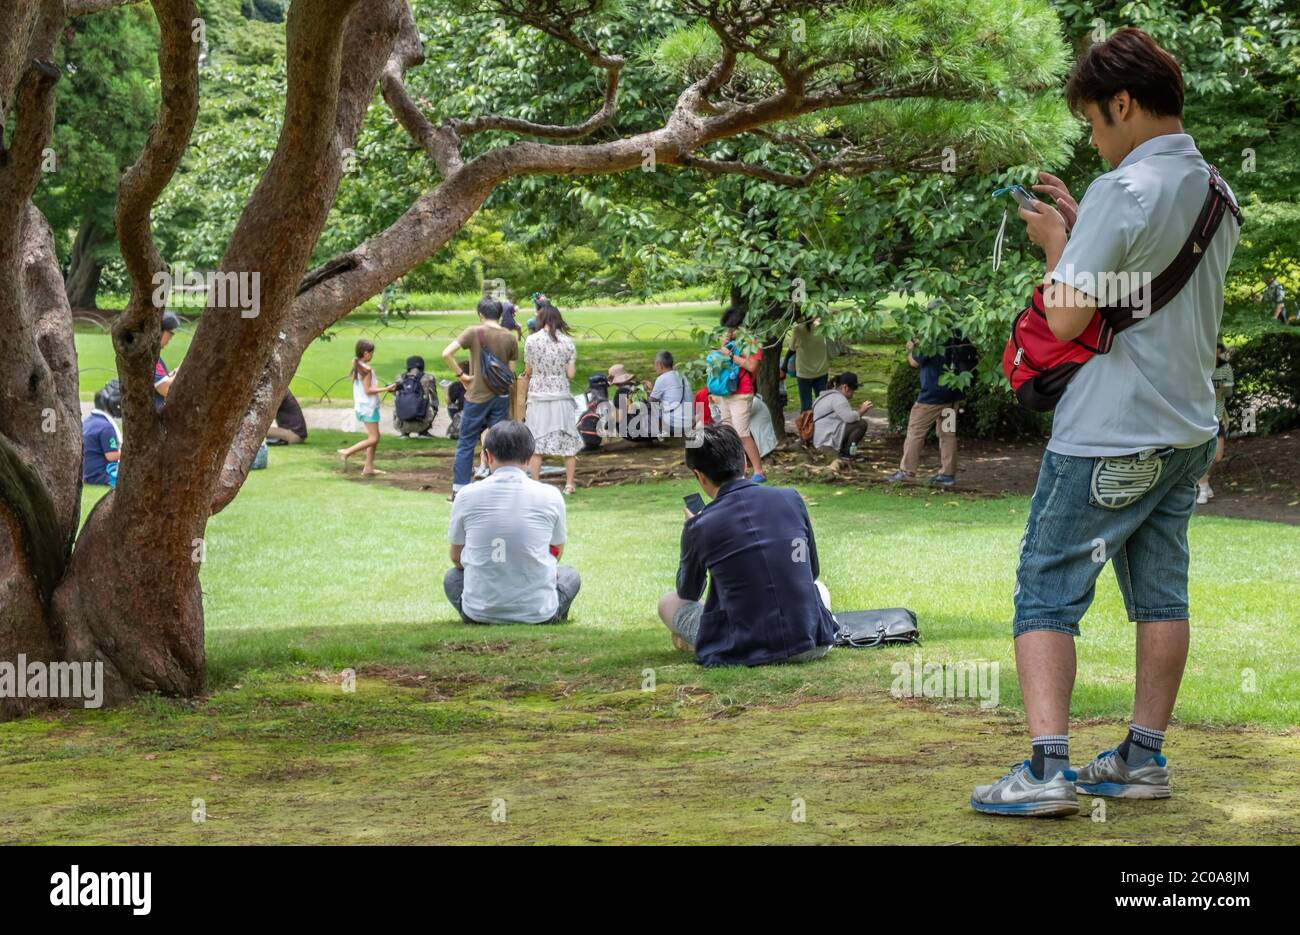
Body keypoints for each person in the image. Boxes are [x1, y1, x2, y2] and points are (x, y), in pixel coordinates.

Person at [970, 28, 1241, 817]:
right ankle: (1141, 757)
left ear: (1123, 103)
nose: (1094, 139)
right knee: (1161, 594)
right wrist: (1081, 224)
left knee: (1047, 589)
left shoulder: (1122, 192)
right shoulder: (1217, 191)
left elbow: (1064, 318)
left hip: (1107, 433)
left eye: (1093, 122)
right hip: (1186, 430)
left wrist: (1059, 243)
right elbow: (1148, 283)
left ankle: (1047, 768)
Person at [657, 424, 836, 666]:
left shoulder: (700, 525)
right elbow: (811, 572)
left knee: (667, 602)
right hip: (812, 641)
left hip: (743, 648)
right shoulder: (791, 498)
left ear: (699, 476)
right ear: (744, 461)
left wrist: (690, 533)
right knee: (820, 588)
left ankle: (699, 640)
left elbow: (688, 592)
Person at [444, 421, 581, 624]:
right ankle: (549, 614)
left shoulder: (466, 495)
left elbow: (456, 557)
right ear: (528, 458)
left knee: (452, 578)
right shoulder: (550, 495)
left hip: (479, 611)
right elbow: (556, 553)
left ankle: (485, 613)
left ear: (487, 456)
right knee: (570, 575)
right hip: (537, 611)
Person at [441, 297, 519, 499]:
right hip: (500, 395)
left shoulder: (473, 332)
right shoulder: (510, 337)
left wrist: (462, 376)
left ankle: (459, 489)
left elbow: (446, 353)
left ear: (480, 314)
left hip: (476, 395)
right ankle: (499, 488)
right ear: (501, 314)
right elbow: (511, 373)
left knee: (466, 442)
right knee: (499, 443)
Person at [886, 335, 962, 486]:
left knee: (915, 431)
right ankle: (948, 473)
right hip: (953, 394)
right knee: (948, 434)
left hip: (931, 397)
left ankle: (907, 471)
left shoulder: (931, 337)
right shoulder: (958, 334)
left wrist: (911, 348)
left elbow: (914, 361)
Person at [524, 304, 581, 494]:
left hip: (538, 395)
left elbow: (529, 370)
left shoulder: (531, 341)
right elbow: (571, 374)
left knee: (536, 440)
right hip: (560, 395)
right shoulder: (567, 342)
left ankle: (536, 482)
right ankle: (570, 483)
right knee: (568, 439)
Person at [711, 306, 765, 481]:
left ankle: (758, 471)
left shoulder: (751, 342)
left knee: (742, 433)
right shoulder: (728, 342)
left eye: (732, 328)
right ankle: (737, 470)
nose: (729, 331)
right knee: (728, 432)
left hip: (742, 393)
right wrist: (723, 347)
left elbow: (752, 366)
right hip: (726, 392)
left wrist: (731, 355)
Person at [338, 340, 395, 475]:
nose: (373, 355)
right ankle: (347, 452)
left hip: (363, 406)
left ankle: (368, 468)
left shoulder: (358, 366)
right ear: (366, 353)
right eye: (372, 353)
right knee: (374, 438)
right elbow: (368, 390)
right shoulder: (366, 370)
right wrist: (387, 388)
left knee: (375, 436)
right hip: (368, 407)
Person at [1197, 342, 1234, 504]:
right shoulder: (1198, 365)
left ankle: (1204, 481)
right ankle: (1203, 487)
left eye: (1218, 353)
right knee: (1203, 455)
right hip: (1201, 417)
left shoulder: (1225, 367)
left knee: (1217, 456)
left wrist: (1222, 388)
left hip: (1218, 415)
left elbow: (1230, 390)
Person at [810, 372, 873, 457]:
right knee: (861, 424)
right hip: (826, 440)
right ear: (845, 387)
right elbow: (850, 418)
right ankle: (848, 453)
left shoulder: (825, 396)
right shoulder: (838, 398)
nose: (853, 394)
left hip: (818, 439)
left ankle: (843, 450)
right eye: (853, 390)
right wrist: (862, 410)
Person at [83, 380, 123, 488]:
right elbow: (112, 456)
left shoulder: (88, 421)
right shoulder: (106, 428)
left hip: (86, 474)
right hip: (101, 476)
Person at [789, 315, 831, 412]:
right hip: (822, 370)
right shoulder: (823, 326)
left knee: (806, 406)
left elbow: (792, 347)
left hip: (804, 372)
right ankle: (822, 425)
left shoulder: (798, 329)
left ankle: (807, 426)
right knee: (822, 404)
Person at [646, 350, 692, 437]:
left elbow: (652, 402)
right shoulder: (682, 376)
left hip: (674, 425)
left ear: (660, 365)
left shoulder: (662, 379)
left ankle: (659, 435)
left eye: (655, 365)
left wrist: (646, 394)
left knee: (645, 409)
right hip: (689, 422)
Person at [391, 355, 439, 438]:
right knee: (434, 403)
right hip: (423, 421)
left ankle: (404, 433)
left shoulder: (399, 378)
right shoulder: (429, 378)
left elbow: (395, 395)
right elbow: (434, 398)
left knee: (398, 402)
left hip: (401, 423)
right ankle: (423, 432)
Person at [153, 311, 181, 410]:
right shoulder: (149, 358)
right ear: (159, 331)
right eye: (170, 333)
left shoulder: (153, 355)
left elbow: (166, 378)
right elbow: (166, 388)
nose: (171, 337)